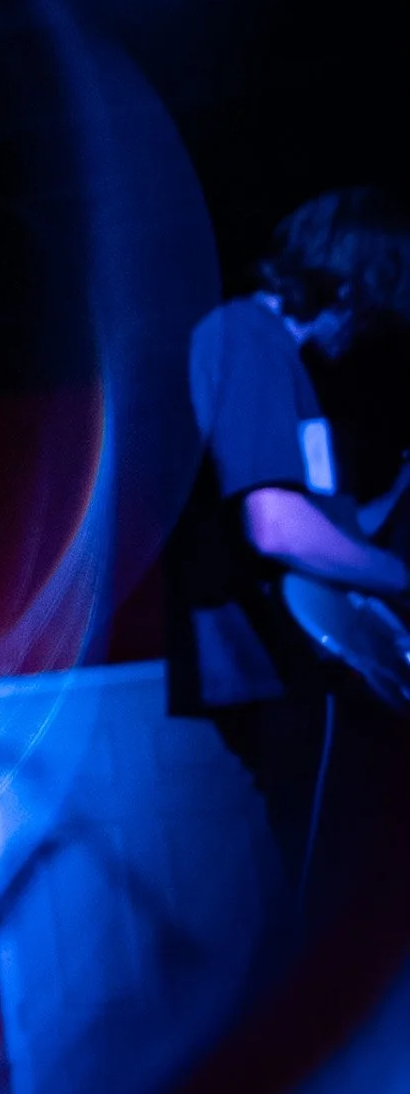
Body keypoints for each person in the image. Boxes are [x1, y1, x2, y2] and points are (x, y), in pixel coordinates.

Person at [170, 188, 410, 888]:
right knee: (332, 876)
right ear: (353, 285)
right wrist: (401, 578)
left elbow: (326, 537)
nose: (371, 330)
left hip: (296, 658)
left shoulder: (279, 357)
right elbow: (274, 526)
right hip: (267, 657)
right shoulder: (244, 336)